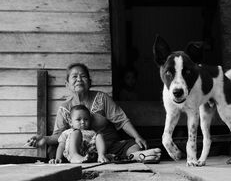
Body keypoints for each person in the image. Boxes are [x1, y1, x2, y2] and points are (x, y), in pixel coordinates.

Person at [26, 63, 161, 162]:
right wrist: (45, 139)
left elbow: (122, 120)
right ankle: (90, 158)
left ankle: (136, 156)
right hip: (81, 151)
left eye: (83, 76)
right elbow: (59, 136)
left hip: (108, 146)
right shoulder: (65, 109)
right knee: (54, 151)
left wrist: (137, 136)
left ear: (89, 83)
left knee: (133, 145)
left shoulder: (102, 98)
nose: (79, 79)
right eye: (74, 76)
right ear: (67, 84)